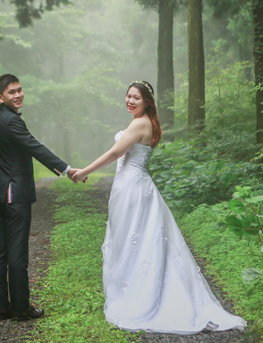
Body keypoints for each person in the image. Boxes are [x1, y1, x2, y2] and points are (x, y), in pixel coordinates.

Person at [72, 81, 246, 334]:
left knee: (136, 239)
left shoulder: (140, 123)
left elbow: (115, 153)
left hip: (133, 188)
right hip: (132, 186)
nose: (130, 101)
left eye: (136, 98)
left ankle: (140, 295)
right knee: (135, 239)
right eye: (128, 96)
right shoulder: (146, 122)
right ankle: (132, 287)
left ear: (147, 102)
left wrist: (83, 171)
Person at [0, 74, 76, 322]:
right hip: (14, 196)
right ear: (0, 97)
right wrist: (66, 169)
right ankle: (20, 308)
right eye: (11, 92)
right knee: (16, 253)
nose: (18, 95)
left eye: (19, 90)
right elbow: (35, 147)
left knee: (1, 251)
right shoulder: (11, 122)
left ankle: (1, 307)